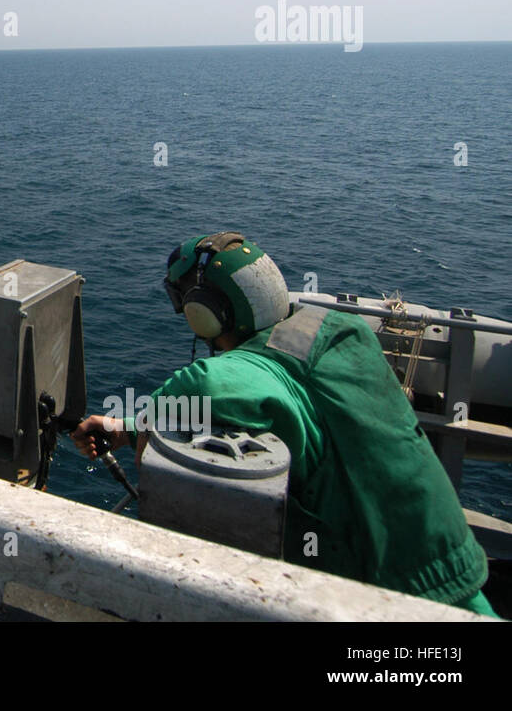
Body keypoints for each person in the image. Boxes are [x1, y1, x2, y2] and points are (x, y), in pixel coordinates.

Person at [71, 231, 497, 617]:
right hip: (453, 561)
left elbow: (209, 383)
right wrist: (124, 426)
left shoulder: (233, 376)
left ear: (205, 312)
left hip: (388, 592)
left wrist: (129, 429)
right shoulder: (344, 332)